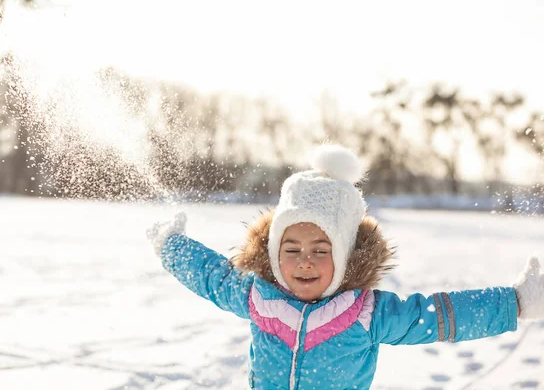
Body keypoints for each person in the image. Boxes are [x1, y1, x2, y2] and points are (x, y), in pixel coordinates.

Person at [146, 144, 544, 390]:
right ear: (272, 250)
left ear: (345, 255)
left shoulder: (367, 313)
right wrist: (171, 245)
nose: (305, 260)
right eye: (292, 247)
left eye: (322, 249)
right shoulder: (256, 297)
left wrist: (516, 303)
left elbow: (440, 315)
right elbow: (209, 274)